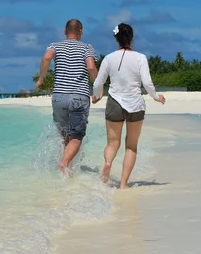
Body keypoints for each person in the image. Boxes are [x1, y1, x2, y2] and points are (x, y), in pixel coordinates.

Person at [92, 23, 165, 188]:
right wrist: (156, 97)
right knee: (131, 146)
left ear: (116, 39)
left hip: (115, 102)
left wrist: (96, 96)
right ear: (132, 39)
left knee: (112, 143)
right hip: (135, 105)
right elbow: (147, 83)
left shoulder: (109, 58)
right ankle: (123, 184)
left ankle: (108, 163)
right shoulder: (140, 57)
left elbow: (98, 83)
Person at [36, 19, 98, 176]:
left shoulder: (54, 45)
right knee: (76, 137)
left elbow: (46, 58)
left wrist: (41, 79)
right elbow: (91, 67)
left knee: (65, 135)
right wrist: (98, 88)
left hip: (59, 97)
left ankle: (67, 171)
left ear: (65, 31)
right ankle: (64, 164)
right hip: (79, 97)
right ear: (81, 31)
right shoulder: (87, 48)